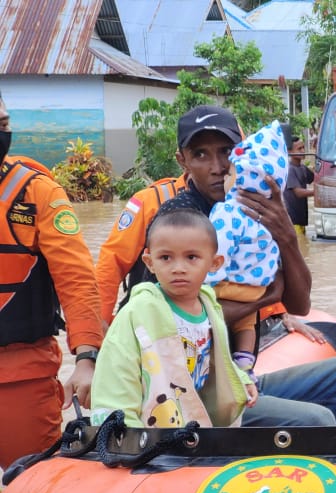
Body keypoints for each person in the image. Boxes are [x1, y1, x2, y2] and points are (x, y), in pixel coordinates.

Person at [155, 105, 336, 427]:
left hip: (244, 379)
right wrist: (266, 300)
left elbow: (300, 302)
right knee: (316, 420)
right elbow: (179, 321)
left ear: (242, 151)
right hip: (202, 393)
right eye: (200, 155)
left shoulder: (255, 208)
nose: (217, 167)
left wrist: (286, 237)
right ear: (182, 161)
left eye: (226, 152)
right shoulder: (177, 225)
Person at [0, 94, 104, 469]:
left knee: (33, 482)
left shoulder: (36, 193)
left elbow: (77, 280)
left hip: (22, 374)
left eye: (3, 125)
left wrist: (87, 357)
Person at [90, 209, 258, 428]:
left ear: (214, 263)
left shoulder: (209, 305)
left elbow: (220, 359)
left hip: (195, 420)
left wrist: (241, 380)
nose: (178, 268)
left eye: (191, 257)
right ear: (150, 262)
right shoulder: (138, 313)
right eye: (165, 258)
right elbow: (114, 379)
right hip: (153, 430)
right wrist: (124, 435)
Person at [206, 120, 287, 384]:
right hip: (259, 288)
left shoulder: (227, 211)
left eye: (229, 173)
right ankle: (245, 361)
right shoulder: (268, 216)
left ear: (242, 178)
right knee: (247, 322)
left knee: (198, 297)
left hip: (230, 287)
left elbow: (218, 251)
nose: (221, 175)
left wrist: (206, 279)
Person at [96, 175, 186, 324]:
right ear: (182, 159)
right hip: (146, 322)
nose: (216, 168)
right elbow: (112, 262)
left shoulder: (235, 204)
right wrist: (98, 326)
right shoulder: (149, 200)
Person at [284, 138, 315, 235]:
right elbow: (298, 193)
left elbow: (316, 178)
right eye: (299, 148)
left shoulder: (303, 168)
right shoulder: (289, 170)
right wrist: (316, 192)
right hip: (292, 220)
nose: (303, 151)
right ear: (290, 151)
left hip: (301, 219)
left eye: (303, 148)